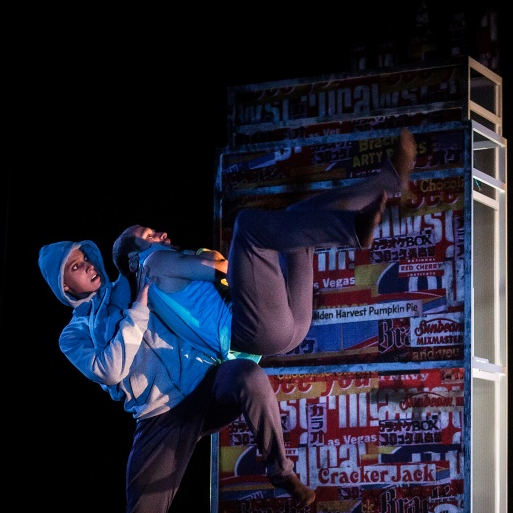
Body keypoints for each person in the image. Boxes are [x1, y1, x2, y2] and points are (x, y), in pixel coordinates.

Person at [38, 239, 312, 513]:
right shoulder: (74, 335)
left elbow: (174, 271)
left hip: (204, 383)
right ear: (64, 287)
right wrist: (137, 313)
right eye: (75, 267)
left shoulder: (128, 282)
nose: (88, 267)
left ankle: (280, 470)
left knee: (248, 376)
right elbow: (110, 370)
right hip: (159, 416)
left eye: (86, 259)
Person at [112, 128, 416, 359]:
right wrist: (222, 259)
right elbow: (221, 268)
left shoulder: (154, 291)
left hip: (282, 331)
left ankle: (387, 181)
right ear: (134, 260)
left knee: (296, 220)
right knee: (247, 227)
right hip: (255, 328)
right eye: (149, 236)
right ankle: (352, 228)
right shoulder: (152, 262)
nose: (161, 235)